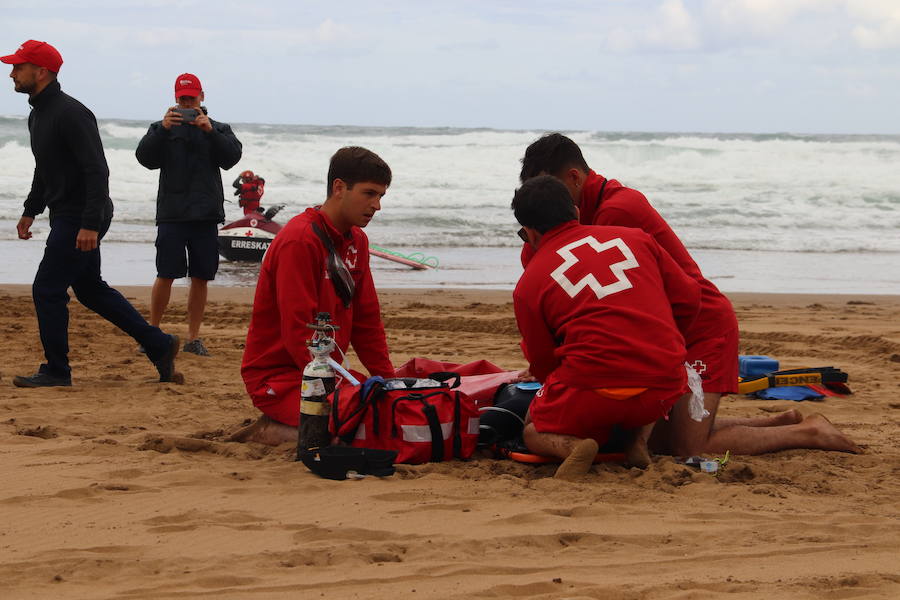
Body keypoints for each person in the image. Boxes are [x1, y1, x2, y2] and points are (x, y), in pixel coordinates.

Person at [519, 133, 860, 456]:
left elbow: (661, 298)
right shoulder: (583, 215)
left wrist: (662, 347)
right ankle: (776, 421)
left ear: (575, 178)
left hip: (700, 324)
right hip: (666, 326)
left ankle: (809, 432)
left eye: (549, 186)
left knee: (689, 447)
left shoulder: (616, 213)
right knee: (659, 436)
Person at [2, 40, 180, 387]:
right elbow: (45, 167)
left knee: (46, 289)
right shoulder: (39, 113)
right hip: (67, 213)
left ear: (41, 72)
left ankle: (57, 370)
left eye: (18, 67)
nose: (11, 72)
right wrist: (31, 210)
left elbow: (97, 170)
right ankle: (159, 344)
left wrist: (89, 224)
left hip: (82, 214)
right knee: (90, 289)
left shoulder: (72, 113)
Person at [513, 175, 702, 478]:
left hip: (591, 393)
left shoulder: (529, 284)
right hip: (662, 385)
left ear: (531, 233)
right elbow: (690, 299)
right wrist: (670, 343)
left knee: (531, 430)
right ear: (575, 212)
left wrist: (562, 386)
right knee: (643, 379)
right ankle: (637, 441)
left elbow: (542, 361)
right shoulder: (638, 239)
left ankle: (573, 447)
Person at [232, 147, 395, 445]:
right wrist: (331, 391)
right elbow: (299, 331)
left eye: (381, 196)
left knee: (386, 410)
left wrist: (389, 381)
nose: (376, 205)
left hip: (326, 370)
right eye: (369, 193)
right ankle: (270, 430)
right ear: (339, 188)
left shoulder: (357, 239)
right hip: (278, 378)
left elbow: (367, 321)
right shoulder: (300, 240)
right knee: (352, 433)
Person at [135, 73, 242, 357]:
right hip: (172, 213)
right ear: (175, 99)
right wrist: (162, 131)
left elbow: (232, 158)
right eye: (182, 99)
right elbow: (145, 159)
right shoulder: (162, 127)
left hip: (205, 215)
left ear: (202, 97)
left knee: (201, 276)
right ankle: (152, 334)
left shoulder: (218, 128)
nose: (187, 103)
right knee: (165, 273)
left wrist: (211, 132)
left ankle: (194, 337)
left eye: (191, 98)